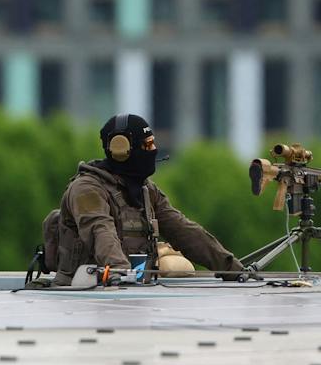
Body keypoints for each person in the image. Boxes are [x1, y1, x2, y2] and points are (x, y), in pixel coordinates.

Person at [46, 113, 244, 282]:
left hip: (132, 291)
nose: (154, 150)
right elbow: (100, 231)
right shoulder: (86, 188)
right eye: (147, 145)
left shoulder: (145, 189)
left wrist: (232, 267)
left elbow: (183, 230)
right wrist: (121, 272)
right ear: (121, 150)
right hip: (84, 291)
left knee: (178, 266)